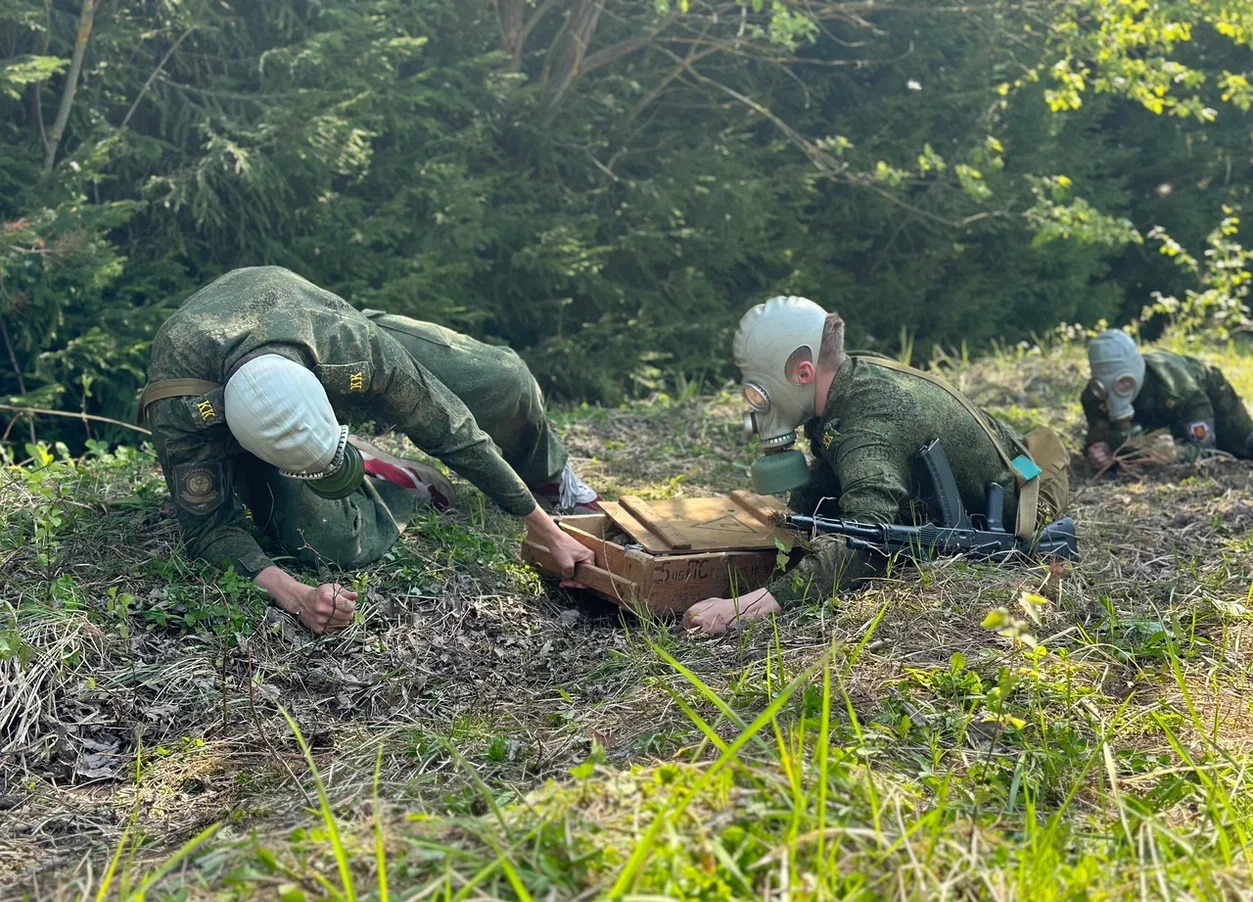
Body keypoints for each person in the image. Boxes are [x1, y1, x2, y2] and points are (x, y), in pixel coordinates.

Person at [139, 266, 598, 634]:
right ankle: (382, 471)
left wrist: (545, 529)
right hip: (239, 416)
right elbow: (209, 529)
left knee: (505, 384)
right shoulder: (180, 408)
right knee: (331, 542)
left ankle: (551, 474)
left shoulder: (350, 347)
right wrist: (296, 595)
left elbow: (448, 427)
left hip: (319, 337)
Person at [683, 296, 1070, 636]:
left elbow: (862, 544)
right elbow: (829, 475)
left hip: (1024, 498)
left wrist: (744, 608)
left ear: (803, 373)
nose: (755, 402)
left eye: (758, 387)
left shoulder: (872, 426)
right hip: (1000, 460)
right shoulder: (848, 382)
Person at [1083, 328, 1253, 471]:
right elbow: (1100, 441)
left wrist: (1176, 453)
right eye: (1103, 386)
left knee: (1244, 445)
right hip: (1159, 411)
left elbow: (1205, 451)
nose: (1115, 393)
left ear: (1135, 371)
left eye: (1124, 383)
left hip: (1207, 396)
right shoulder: (1094, 398)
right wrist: (1102, 454)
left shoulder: (1180, 389)